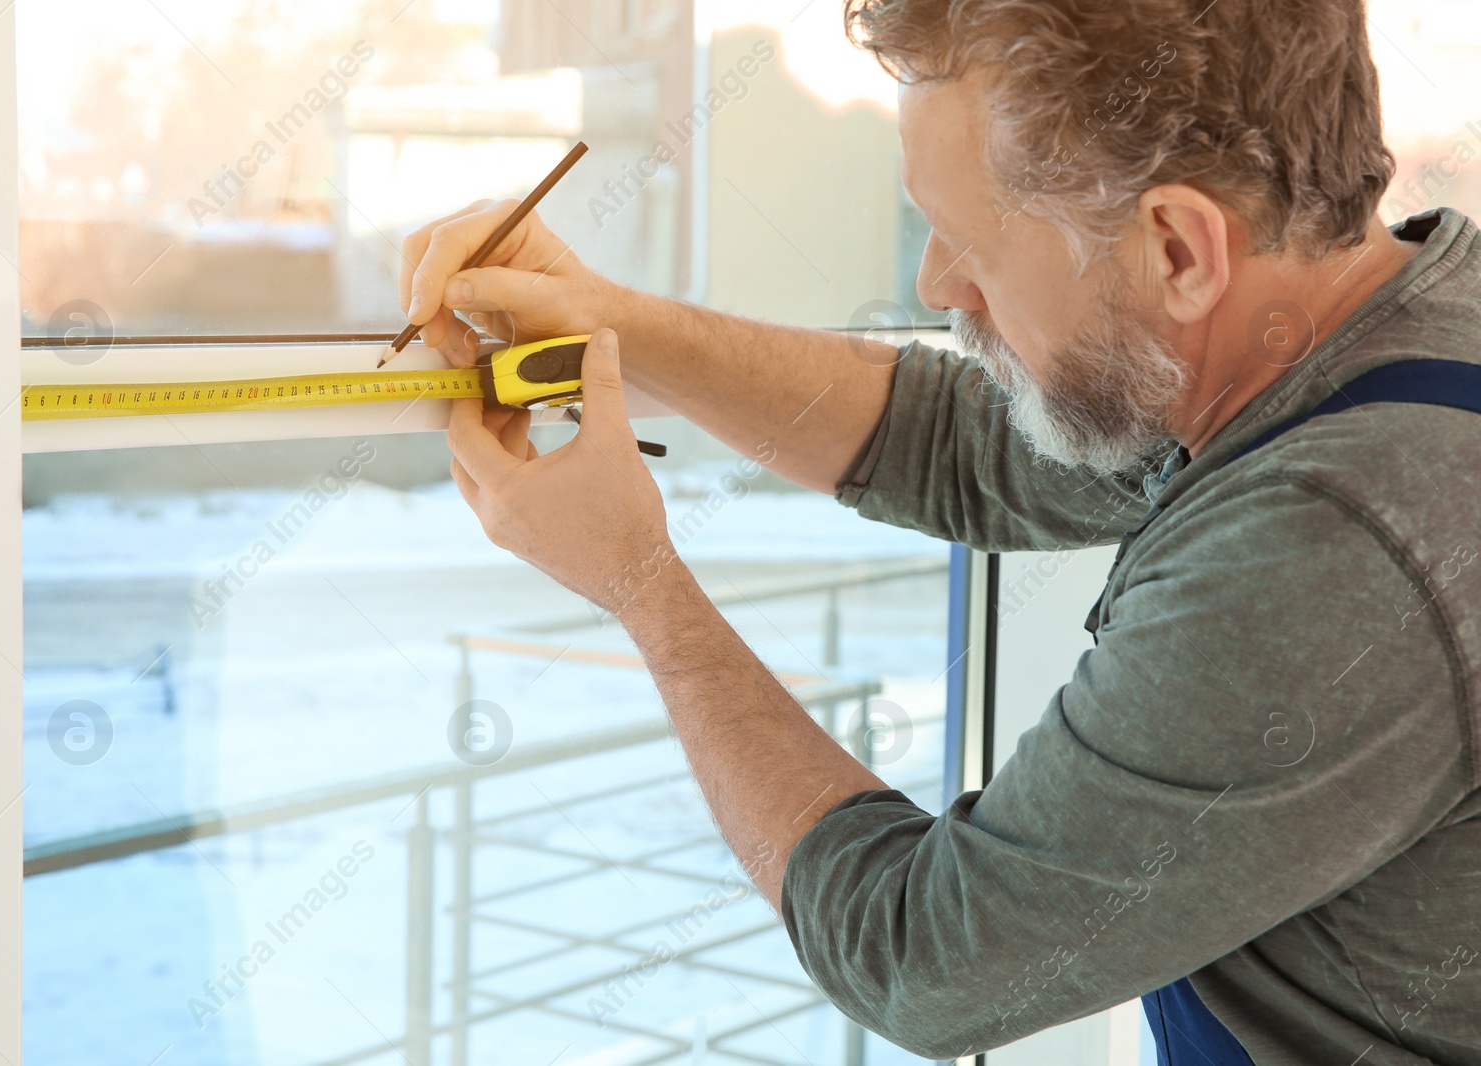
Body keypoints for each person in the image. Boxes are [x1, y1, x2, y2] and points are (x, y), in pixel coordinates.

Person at [399, 0, 1481, 1061]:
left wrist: (644, 585)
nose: (934, 283)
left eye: (968, 242)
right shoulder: (1376, 331)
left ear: (1179, 251)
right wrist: (615, 326)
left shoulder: (1328, 547)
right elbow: (965, 444)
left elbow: (922, 955)